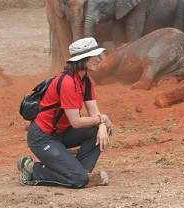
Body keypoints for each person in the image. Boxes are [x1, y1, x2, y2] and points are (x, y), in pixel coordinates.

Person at [17, 37, 113, 188]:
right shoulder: (67, 82)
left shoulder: (85, 81)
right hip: (43, 137)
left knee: (102, 129)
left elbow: (95, 115)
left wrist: (102, 124)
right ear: (84, 59)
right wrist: (102, 118)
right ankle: (31, 169)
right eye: (95, 56)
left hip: (61, 133)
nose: (99, 59)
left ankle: (80, 171)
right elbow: (76, 122)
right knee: (78, 180)